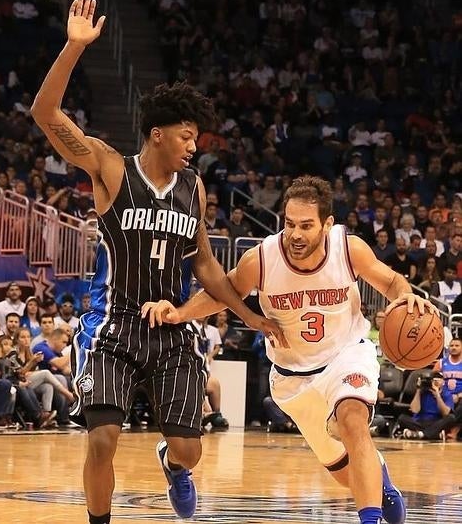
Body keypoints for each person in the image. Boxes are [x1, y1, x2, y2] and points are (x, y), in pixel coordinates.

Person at [30, 0, 281, 524]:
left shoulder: (194, 188)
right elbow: (44, 113)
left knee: (189, 449)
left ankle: (173, 463)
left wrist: (250, 315)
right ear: (157, 133)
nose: (194, 146)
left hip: (173, 330)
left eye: (197, 138)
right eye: (187, 136)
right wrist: (74, 48)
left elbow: (207, 266)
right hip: (114, 323)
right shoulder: (110, 166)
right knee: (102, 439)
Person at [142, 175, 439, 524]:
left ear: (327, 224)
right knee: (344, 473)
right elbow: (224, 292)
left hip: (347, 354)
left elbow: (390, 281)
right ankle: (379, 477)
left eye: (306, 226)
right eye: (289, 224)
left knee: (353, 421)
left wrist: (405, 295)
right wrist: (179, 312)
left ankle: (370, 515)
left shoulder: (348, 249)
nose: (295, 234)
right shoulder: (263, 259)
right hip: (292, 378)